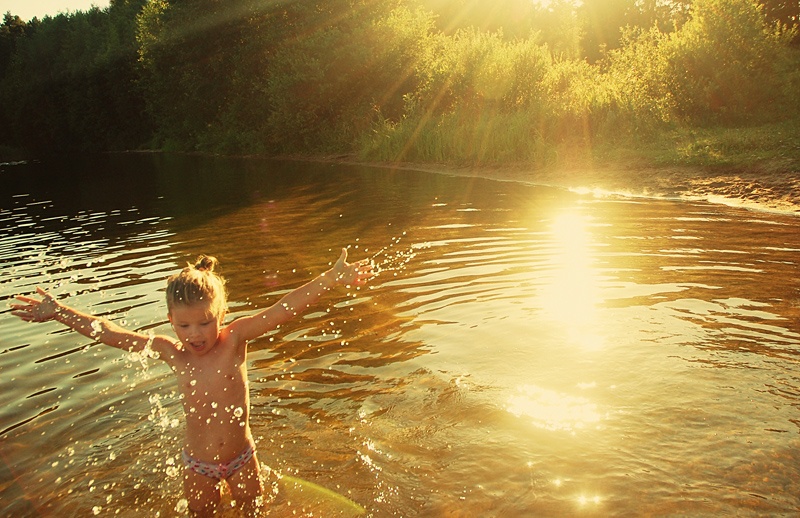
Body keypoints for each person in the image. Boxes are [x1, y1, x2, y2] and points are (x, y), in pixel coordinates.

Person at [11, 248, 375, 515]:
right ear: (171, 319)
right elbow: (109, 332)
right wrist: (59, 312)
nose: (195, 334)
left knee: (253, 510)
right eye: (184, 325)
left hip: (243, 458)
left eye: (205, 322)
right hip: (197, 465)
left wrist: (330, 278)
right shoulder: (171, 352)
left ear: (221, 314)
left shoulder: (234, 339)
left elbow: (284, 309)